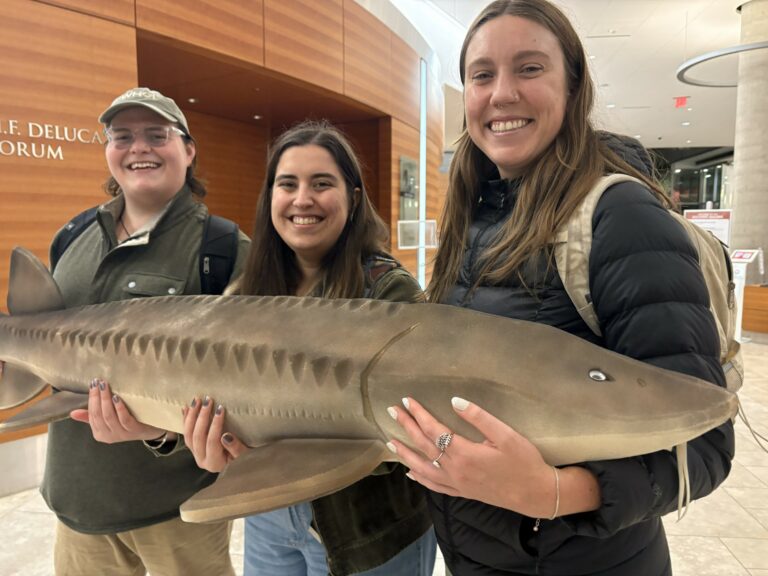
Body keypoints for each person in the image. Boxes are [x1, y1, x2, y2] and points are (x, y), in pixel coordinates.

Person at [384, 1, 735, 575]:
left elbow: (703, 441)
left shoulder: (621, 216)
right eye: (482, 74)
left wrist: (553, 492)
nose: (501, 94)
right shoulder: (471, 217)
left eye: (529, 68)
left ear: (573, 88)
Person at [182, 120, 437, 576]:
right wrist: (213, 440)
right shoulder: (245, 292)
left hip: (366, 531)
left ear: (354, 197)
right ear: (271, 198)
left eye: (322, 184)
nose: (303, 200)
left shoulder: (389, 292)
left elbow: (421, 422)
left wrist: (300, 450)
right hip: (269, 514)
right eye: (288, 184)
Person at [41, 87, 250, 576]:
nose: (139, 148)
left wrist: (160, 434)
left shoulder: (223, 249)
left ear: (188, 150)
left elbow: (247, 386)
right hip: (78, 505)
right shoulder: (71, 237)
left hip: (178, 512)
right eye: (123, 136)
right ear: (108, 149)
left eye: (157, 135)